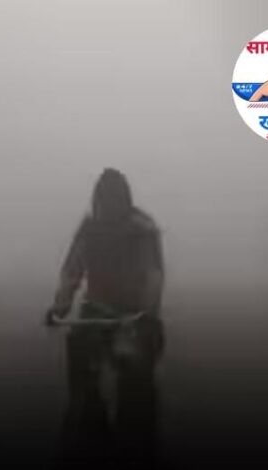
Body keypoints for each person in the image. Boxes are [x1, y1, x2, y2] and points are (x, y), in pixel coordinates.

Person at [45, 168, 165, 465]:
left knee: (137, 385)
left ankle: (140, 444)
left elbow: (153, 274)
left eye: (110, 201)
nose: (104, 208)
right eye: (100, 201)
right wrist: (59, 307)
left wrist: (148, 312)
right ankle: (86, 427)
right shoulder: (89, 229)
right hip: (96, 311)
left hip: (133, 316)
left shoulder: (142, 229)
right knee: (80, 365)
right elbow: (72, 271)